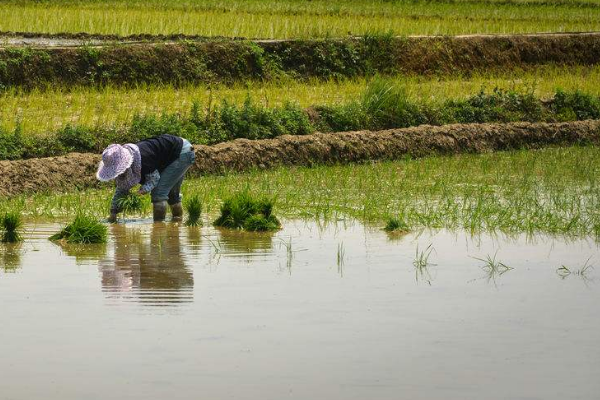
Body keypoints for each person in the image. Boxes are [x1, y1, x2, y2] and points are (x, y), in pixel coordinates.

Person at [96, 134, 195, 222]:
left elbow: (154, 178)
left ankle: (158, 229)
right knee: (172, 194)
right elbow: (122, 188)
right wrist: (113, 211)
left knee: (159, 193)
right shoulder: (129, 165)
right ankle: (177, 223)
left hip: (181, 153)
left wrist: (142, 191)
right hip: (176, 152)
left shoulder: (143, 159)